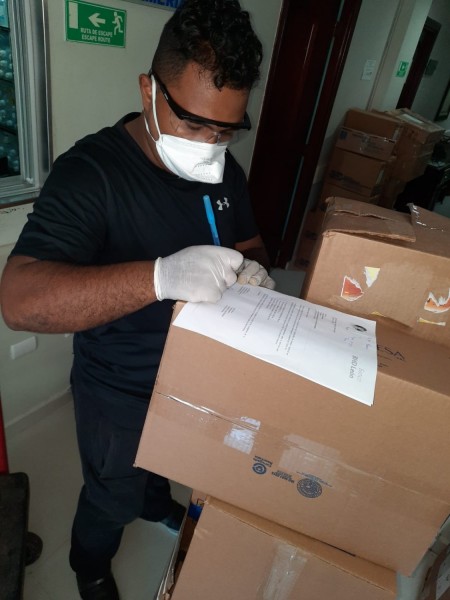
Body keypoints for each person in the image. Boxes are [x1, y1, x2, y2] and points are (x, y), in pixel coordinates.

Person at [0, 1, 274, 598]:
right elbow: (19, 300)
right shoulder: (91, 173)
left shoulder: (223, 170)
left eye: (226, 130)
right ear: (149, 90)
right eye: (194, 124)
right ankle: (90, 566)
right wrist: (159, 277)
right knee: (111, 494)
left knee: (167, 465)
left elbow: (249, 241)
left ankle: (154, 500)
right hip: (118, 386)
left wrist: (255, 268)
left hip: (197, 374)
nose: (210, 145)